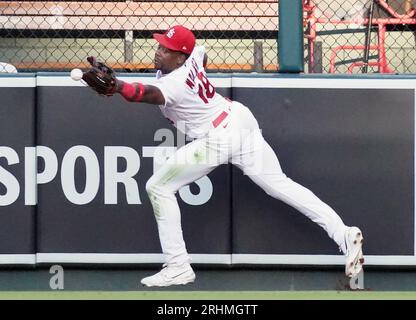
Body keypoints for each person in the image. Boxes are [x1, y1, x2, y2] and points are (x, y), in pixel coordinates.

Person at [83, 25, 364, 287]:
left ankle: (177, 265)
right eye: (160, 46)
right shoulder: (192, 58)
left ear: (181, 58)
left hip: (219, 137)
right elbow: (199, 56)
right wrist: (120, 80)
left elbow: (146, 93)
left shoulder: (176, 82)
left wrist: (118, 86)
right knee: (280, 184)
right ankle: (344, 233)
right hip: (238, 119)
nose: (159, 51)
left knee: (157, 187)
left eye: (166, 49)